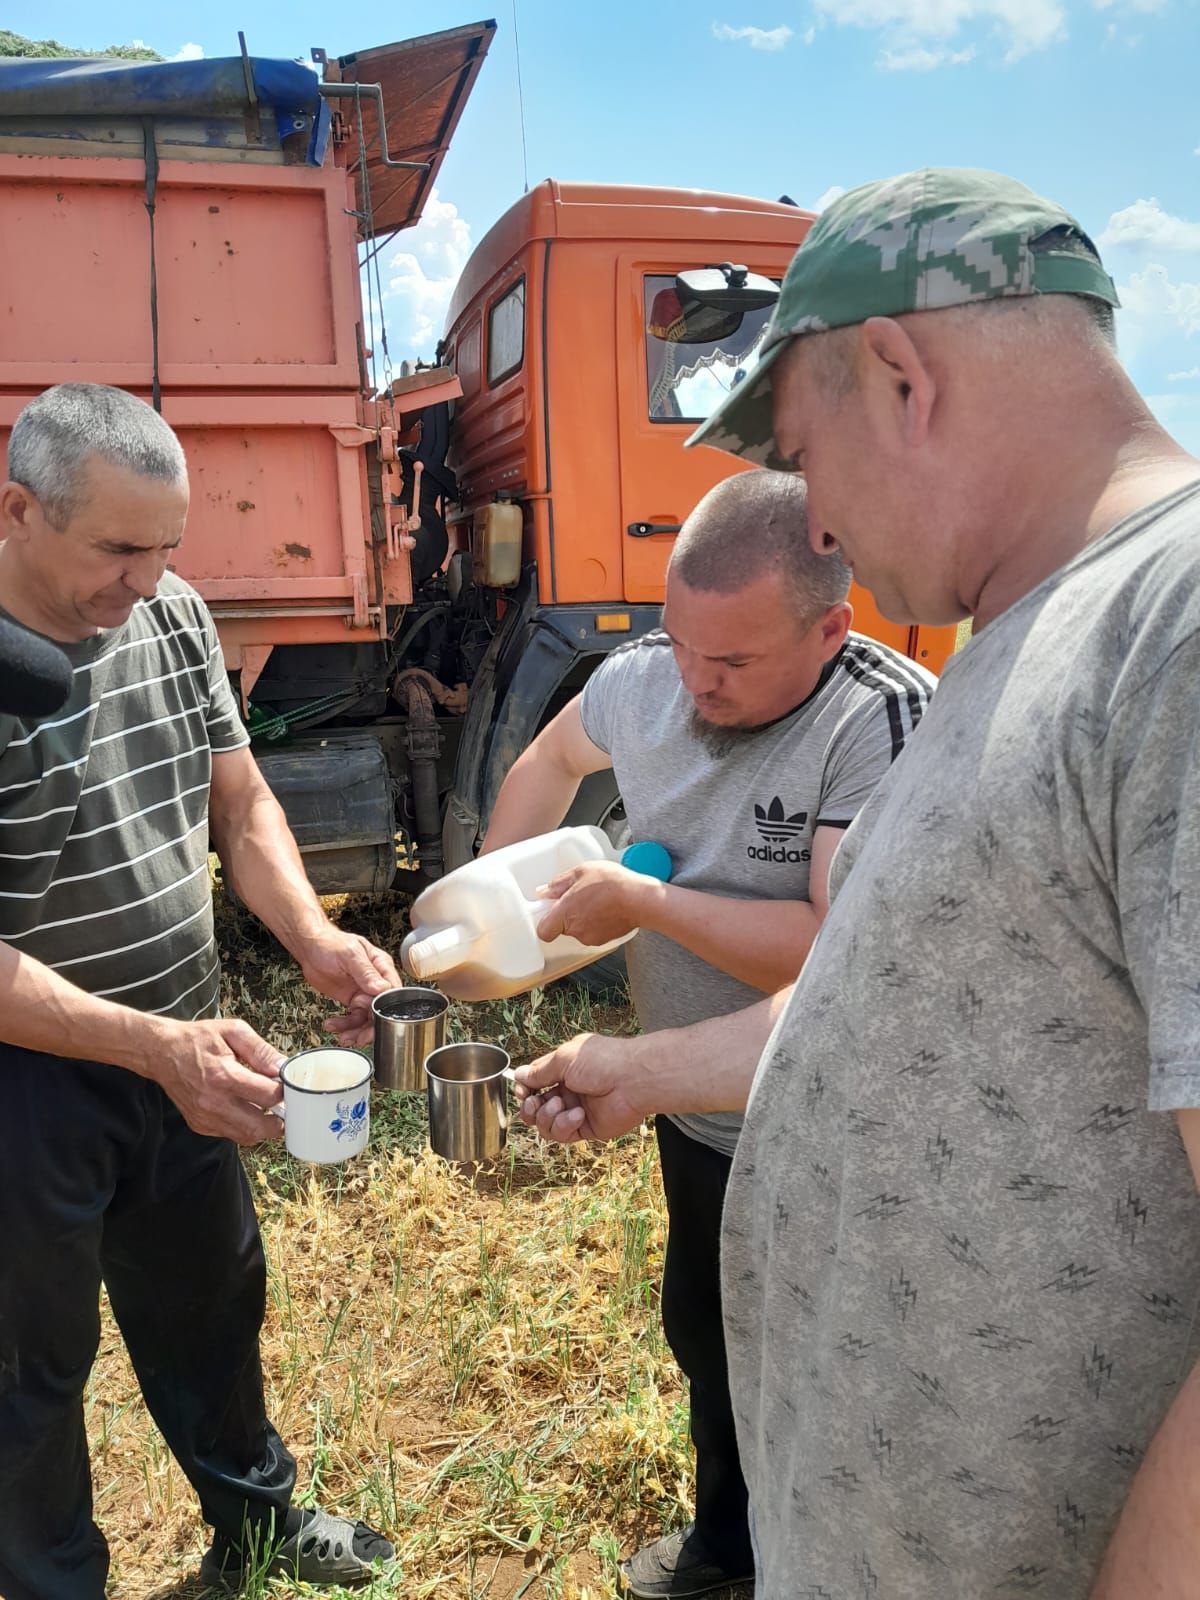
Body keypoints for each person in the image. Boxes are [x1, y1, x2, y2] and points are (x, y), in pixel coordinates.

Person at [513, 169, 1200, 1599]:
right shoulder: (1027, 634)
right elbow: (906, 998)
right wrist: (652, 1069)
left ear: (899, 373)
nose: (812, 512)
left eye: (804, 453)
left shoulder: (1172, 624)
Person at [482, 468, 933, 1598]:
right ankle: (728, 1544)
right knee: (705, 1327)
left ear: (832, 627)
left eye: (729, 662)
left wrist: (642, 903)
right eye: (682, 642)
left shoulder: (878, 715)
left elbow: (834, 952)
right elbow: (547, 761)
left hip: (828, 1114)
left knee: (831, 1356)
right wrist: (485, 903)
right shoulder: (644, 681)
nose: (694, 681)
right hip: (689, 1101)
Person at [0, 384, 399, 1599]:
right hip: (30, 1076)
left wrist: (312, 935)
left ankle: (258, 1522)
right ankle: (49, 1581)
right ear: (17, 509)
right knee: (26, 1367)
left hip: (188, 1039)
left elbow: (239, 800)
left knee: (214, 1303)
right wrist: (148, 1043)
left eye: (166, 549)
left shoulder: (168, 613)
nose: (147, 582)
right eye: (118, 549)